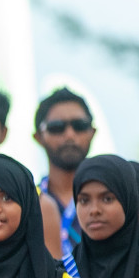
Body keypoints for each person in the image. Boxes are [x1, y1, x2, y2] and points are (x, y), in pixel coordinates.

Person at [32, 87, 97, 259]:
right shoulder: (28, 203)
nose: (69, 135)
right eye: (57, 127)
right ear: (38, 136)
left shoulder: (114, 200)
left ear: (92, 132)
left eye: (79, 126)